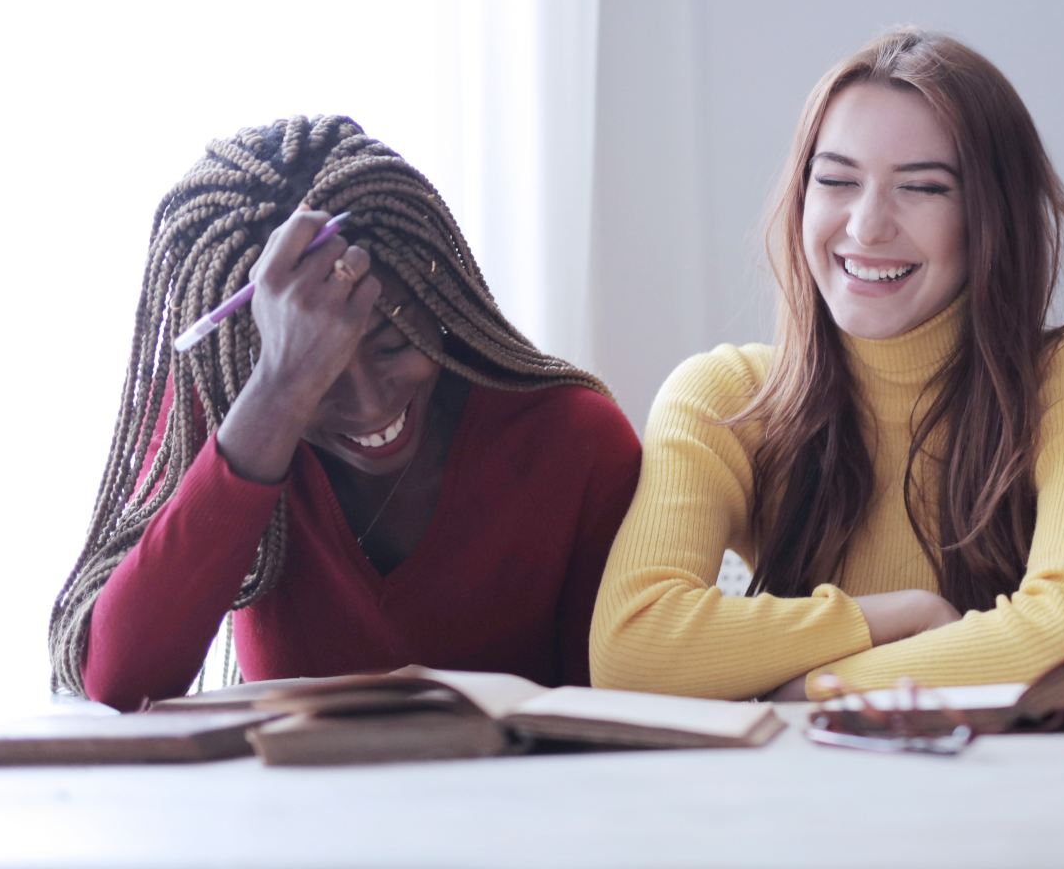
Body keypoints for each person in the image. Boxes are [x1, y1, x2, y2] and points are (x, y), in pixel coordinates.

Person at [591, 29, 1064, 701]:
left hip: (1009, 790)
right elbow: (632, 652)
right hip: (799, 797)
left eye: (922, 188)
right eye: (836, 180)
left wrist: (806, 690)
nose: (866, 225)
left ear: (990, 217)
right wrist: (889, 616)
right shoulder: (726, 397)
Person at [50, 116, 640, 710]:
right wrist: (277, 393)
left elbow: (616, 715)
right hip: (290, 801)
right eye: (317, 367)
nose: (368, 404)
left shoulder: (573, 440)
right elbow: (121, 684)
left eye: (391, 344)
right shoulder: (226, 423)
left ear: (436, 298)